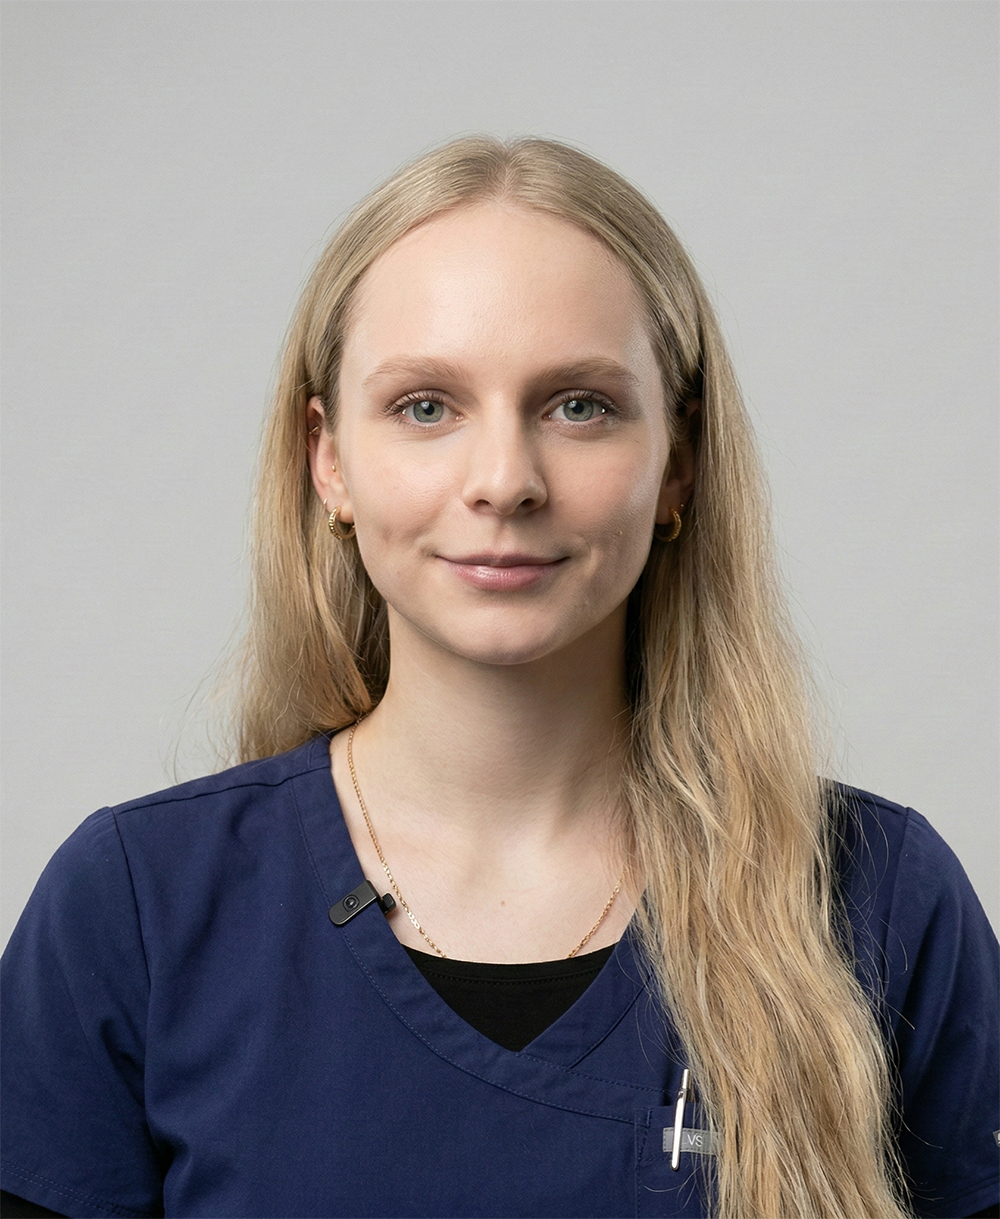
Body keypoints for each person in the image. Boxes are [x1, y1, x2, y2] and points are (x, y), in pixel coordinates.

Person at [1, 136, 996, 1219]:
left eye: (579, 404)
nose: (504, 481)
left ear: (680, 464)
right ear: (326, 458)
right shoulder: (137, 909)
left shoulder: (880, 901)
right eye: (426, 405)